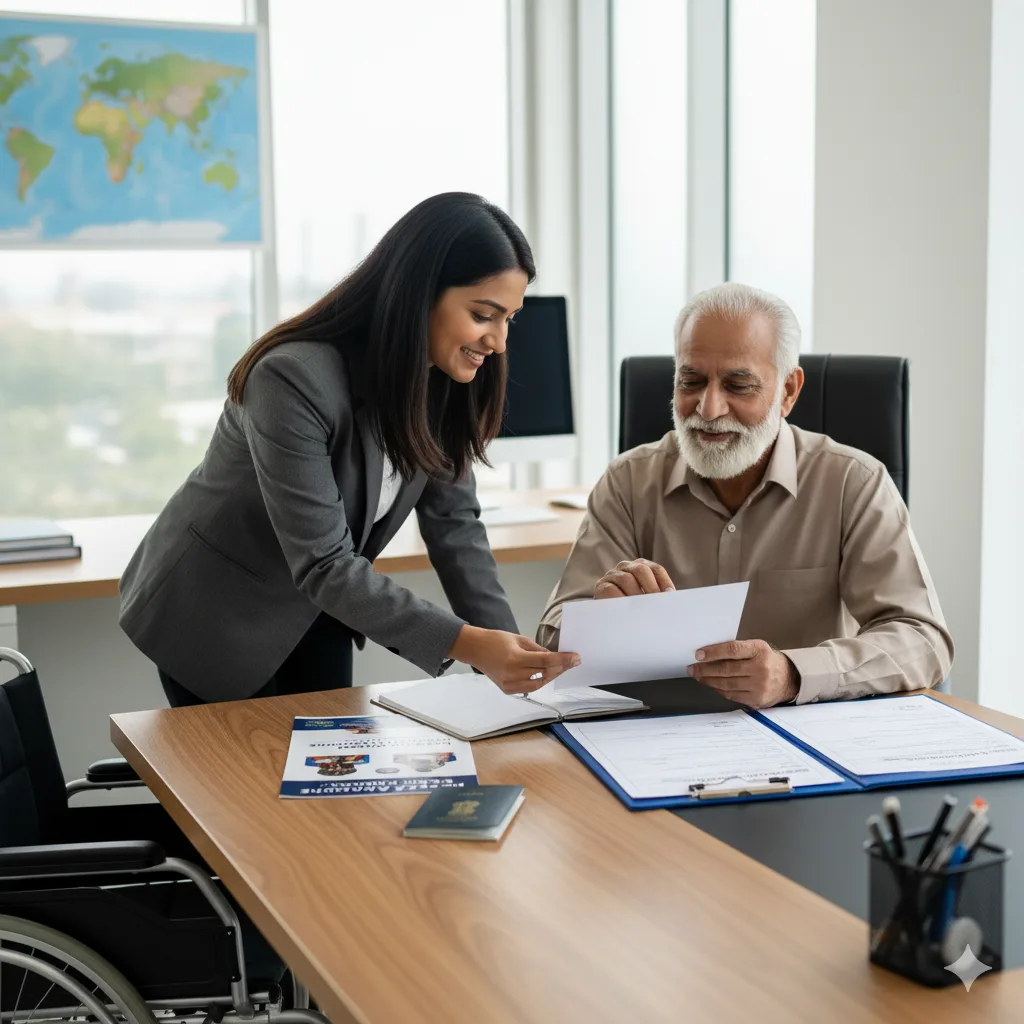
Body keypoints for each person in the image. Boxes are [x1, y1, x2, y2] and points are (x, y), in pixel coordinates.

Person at [120, 193, 580, 707]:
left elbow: (456, 527)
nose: (498, 341)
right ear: (420, 293)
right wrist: (470, 645)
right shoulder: (292, 378)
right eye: (483, 315)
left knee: (331, 772)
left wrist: (516, 666)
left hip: (323, 609)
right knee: (243, 779)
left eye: (509, 319)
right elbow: (324, 563)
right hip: (217, 612)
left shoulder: (443, 384)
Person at [537, 282, 952, 708]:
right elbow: (550, 637)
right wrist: (598, 621)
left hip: (808, 731)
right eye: (691, 381)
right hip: (655, 730)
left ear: (788, 391)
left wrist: (792, 674)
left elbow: (923, 640)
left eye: (738, 385)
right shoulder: (627, 481)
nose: (709, 409)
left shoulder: (854, 482)